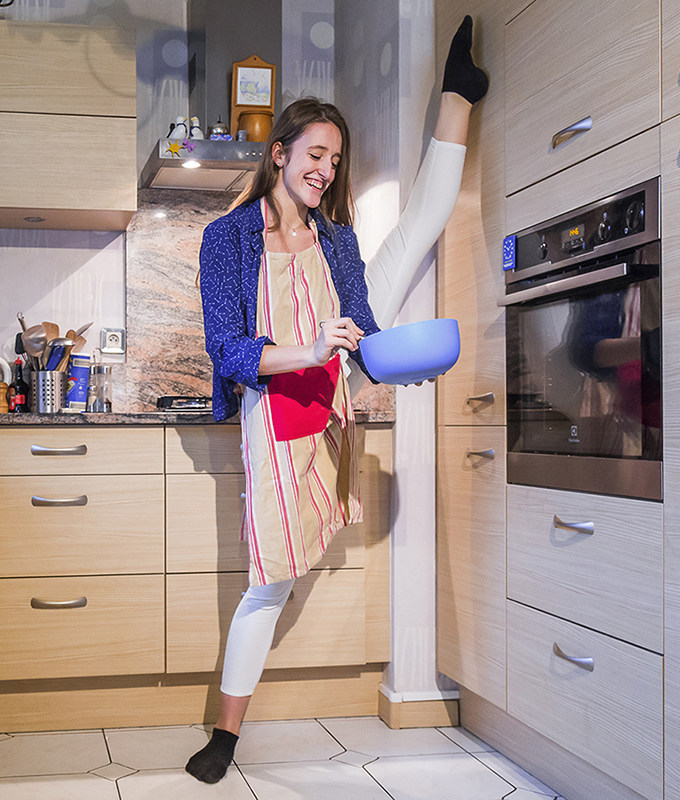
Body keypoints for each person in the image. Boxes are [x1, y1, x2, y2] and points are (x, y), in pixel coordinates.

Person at [187, 15, 490, 785]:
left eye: (335, 159)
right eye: (314, 154)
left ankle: (459, 94)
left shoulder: (338, 241)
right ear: (279, 153)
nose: (325, 168)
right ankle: (225, 735)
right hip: (276, 408)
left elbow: (364, 329)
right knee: (270, 580)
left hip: (333, 403)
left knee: (420, 223)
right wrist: (312, 351)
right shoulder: (228, 240)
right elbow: (229, 351)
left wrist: (390, 366)